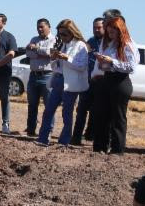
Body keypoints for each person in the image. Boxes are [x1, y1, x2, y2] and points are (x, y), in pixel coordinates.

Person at [89, 9, 139, 154]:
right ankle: (99, 147)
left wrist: (112, 62)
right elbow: (105, 64)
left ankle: (117, 149)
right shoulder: (109, 44)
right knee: (101, 114)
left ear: (119, 30)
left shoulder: (128, 44)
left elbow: (131, 66)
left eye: (112, 32)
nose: (109, 35)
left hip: (120, 82)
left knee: (118, 117)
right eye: (108, 32)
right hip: (107, 80)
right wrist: (102, 62)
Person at [37, 19, 89, 145]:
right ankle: (43, 139)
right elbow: (56, 67)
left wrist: (68, 58)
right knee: (49, 110)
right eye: (60, 34)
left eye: (65, 34)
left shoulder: (80, 46)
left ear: (72, 32)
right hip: (58, 79)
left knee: (67, 113)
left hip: (70, 83)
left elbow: (82, 66)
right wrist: (54, 59)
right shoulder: (61, 44)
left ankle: (64, 141)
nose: (62, 37)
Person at [70, 17, 104, 145]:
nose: (96, 29)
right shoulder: (90, 41)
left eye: (99, 27)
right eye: (94, 27)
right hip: (88, 81)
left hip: (101, 83)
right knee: (82, 109)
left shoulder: (108, 43)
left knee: (98, 111)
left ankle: (94, 136)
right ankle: (76, 137)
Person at [24, 18, 53, 136]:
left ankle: (48, 131)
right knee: (32, 105)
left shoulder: (55, 39)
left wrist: (35, 49)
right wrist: (39, 52)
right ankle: (31, 130)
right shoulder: (34, 39)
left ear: (48, 27)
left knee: (49, 105)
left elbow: (50, 53)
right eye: (38, 27)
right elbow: (28, 54)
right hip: (34, 75)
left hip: (47, 76)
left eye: (42, 27)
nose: (39, 29)